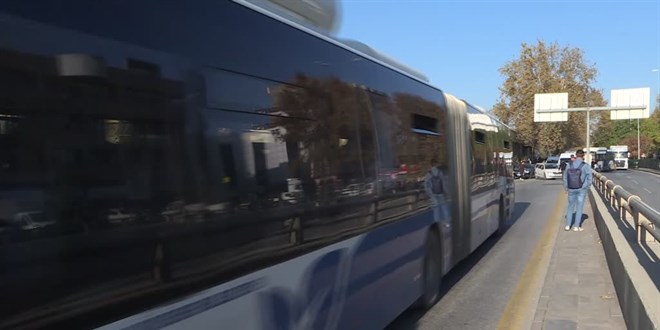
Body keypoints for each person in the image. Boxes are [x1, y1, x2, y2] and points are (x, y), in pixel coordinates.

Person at [563, 149, 592, 231]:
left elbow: (565, 177)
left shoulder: (569, 165)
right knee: (579, 207)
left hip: (571, 189)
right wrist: (587, 187)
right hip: (581, 189)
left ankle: (568, 225)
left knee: (570, 206)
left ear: (576, 155)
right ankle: (576, 226)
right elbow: (590, 178)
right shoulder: (586, 166)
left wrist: (566, 187)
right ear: (583, 156)